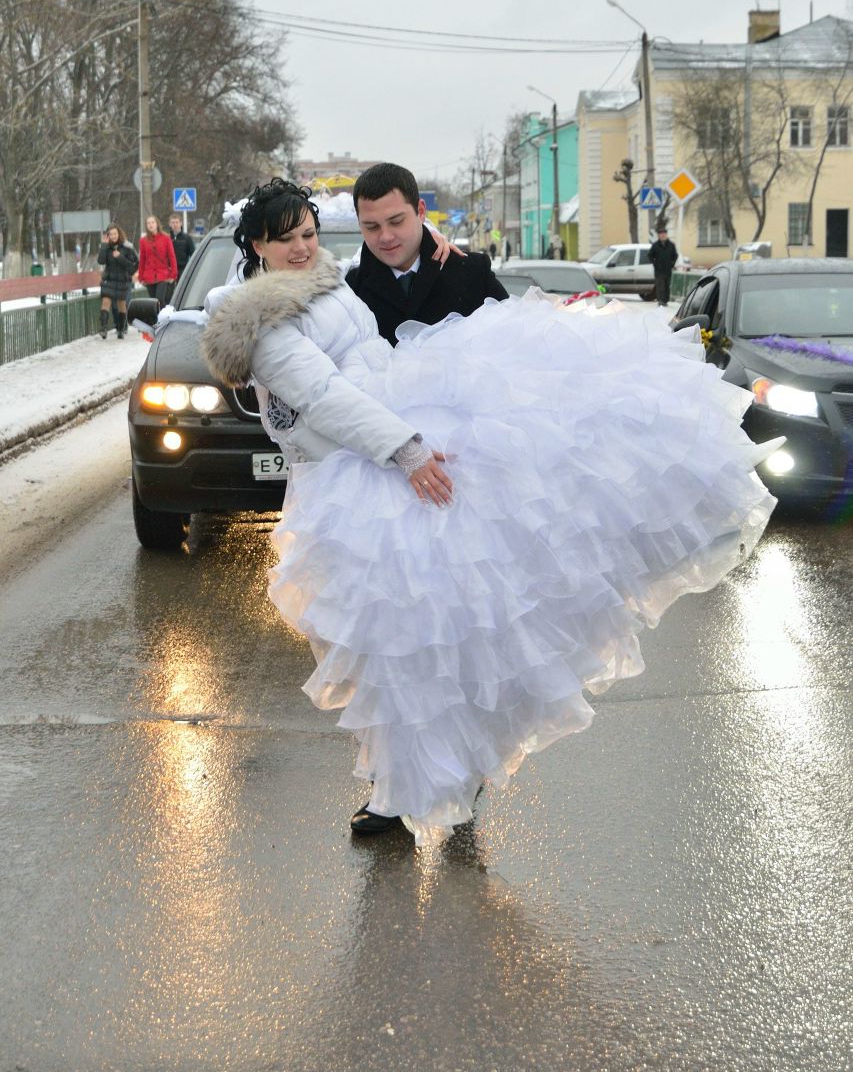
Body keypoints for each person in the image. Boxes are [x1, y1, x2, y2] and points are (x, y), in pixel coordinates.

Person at [201, 180, 779, 846]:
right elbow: (325, 397)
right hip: (361, 477)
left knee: (467, 624)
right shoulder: (264, 321)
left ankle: (454, 775)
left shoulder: (324, 282)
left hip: (390, 452)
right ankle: (400, 790)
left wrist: (432, 249)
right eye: (285, 238)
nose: (302, 247)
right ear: (255, 246)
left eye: (308, 233)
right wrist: (407, 451)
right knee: (398, 648)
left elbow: (383, 294)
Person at [345, 163, 508, 345]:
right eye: (372, 227)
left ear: (421, 211)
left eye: (397, 221)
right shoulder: (351, 290)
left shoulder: (472, 273)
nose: (386, 237)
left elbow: (512, 340)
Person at [96, 224, 138, 340]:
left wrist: (120, 257)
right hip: (109, 280)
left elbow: (133, 266)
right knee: (105, 302)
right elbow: (101, 261)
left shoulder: (127, 247)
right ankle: (103, 329)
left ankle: (121, 329)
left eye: (115, 234)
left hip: (122, 280)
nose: (113, 236)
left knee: (121, 305)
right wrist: (104, 246)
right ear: (107, 236)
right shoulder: (106, 247)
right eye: (111, 234)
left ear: (119, 234)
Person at [138, 215, 177, 309]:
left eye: (152, 222)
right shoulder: (143, 241)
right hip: (149, 276)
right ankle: (156, 320)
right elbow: (142, 259)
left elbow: (171, 256)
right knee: (153, 301)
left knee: (160, 298)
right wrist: (141, 276)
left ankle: (163, 319)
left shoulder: (165, 238)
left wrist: (173, 274)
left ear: (157, 224)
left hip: (163, 274)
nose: (150, 225)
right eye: (148, 223)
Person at [649, 226, 678, 306]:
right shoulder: (655, 245)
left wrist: (672, 264)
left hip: (668, 269)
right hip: (658, 270)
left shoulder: (671, 245)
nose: (662, 235)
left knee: (666, 285)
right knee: (660, 286)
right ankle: (660, 301)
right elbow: (650, 255)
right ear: (658, 235)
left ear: (666, 235)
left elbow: (675, 255)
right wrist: (655, 263)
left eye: (664, 234)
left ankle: (665, 300)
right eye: (661, 234)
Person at [168, 213, 196, 279]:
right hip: (169, 269)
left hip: (182, 269)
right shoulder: (167, 238)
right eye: (173, 222)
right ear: (169, 224)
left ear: (181, 223)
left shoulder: (187, 238)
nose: (175, 224)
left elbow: (193, 253)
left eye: (177, 222)